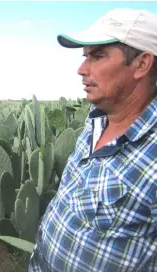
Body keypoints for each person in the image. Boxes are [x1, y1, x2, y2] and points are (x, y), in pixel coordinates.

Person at [29, 8, 157, 272]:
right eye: (84, 56)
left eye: (97, 56)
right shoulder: (95, 122)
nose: (81, 69)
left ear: (142, 64)